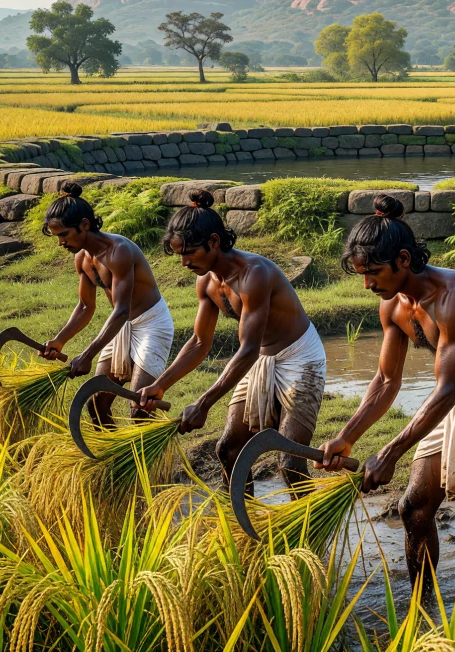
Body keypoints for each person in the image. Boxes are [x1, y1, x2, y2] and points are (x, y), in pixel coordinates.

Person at [315, 195, 455, 618]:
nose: (367, 285)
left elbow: (447, 389)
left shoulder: (454, 296)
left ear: (402, 259)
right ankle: (423, 611)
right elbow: (385, 380)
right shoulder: (392, 307)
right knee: (413, 508)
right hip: (453, 398)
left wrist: (391, 451)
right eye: (362, 275)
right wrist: (346, 436)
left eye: (373, 273)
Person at [136, 190, 327, 495]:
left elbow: (248, 349)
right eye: (179, 255)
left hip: (299, 358)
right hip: (260, 358)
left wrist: (203, 403)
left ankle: (308, 532)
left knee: (290, 462)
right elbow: (199, 341)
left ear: (213, 242)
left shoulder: (254, 275)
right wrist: (161, 384)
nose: (184, 262)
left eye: (189, 253)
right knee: (228, 449)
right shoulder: (207, 282)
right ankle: (241, 522)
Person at [39, 182, 174, 426]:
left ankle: (143, 462)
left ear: (84, 225)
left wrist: (88, 354)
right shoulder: (82, 259)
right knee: (96, 403)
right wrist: (59, 340)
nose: (61, 243)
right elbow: (84, 307)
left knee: (139, 410)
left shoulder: (118, 251)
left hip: (151, 325)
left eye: (63, 235)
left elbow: (121, 310)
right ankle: (114, 459)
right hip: (122, 327)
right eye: (57, 237)